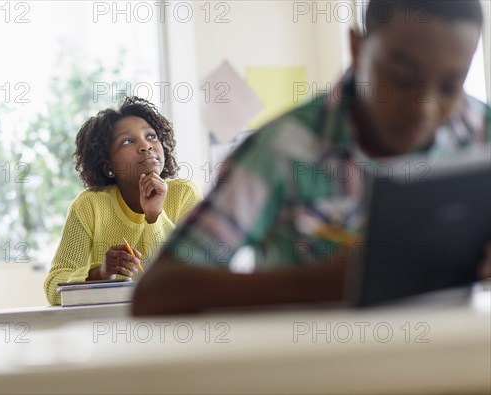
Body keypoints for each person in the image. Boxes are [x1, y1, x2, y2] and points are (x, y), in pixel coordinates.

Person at [132, 0, 491, 315]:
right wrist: (318, 284)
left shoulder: (481, 132)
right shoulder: (282, 151)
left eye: (450, 86)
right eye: (400, 78)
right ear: (357, 46)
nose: (423, 110)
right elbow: (157, 292)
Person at [44, 96, 203, 305]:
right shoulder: (89, 206)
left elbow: (195, 275)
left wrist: (154, 217)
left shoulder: (184, 194)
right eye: (128, 141)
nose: (146, 146)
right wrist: (100, 273)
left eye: (151, 136)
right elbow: (53, 287)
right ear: (107, 165)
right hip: (107, 328)